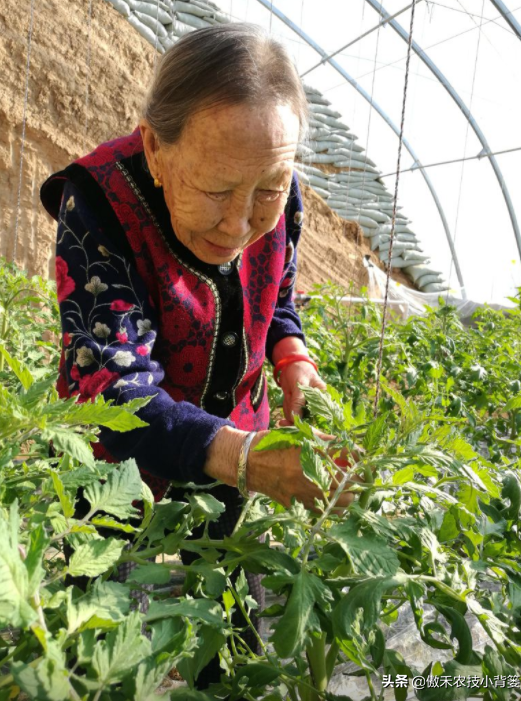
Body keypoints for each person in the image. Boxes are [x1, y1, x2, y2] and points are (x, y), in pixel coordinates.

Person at [40, 23, 353, 690]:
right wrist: (244, 457)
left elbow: (279, 295)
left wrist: (295, 360)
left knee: (225, 609)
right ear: (156, 146)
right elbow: (113, 388)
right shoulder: (96, 201)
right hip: (118, 462)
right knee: (95, 622)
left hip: (240, 432)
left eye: (267, 190)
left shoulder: (275, 182)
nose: (240, 224)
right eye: (215, 192)